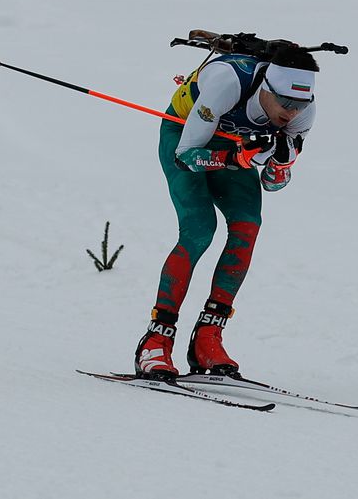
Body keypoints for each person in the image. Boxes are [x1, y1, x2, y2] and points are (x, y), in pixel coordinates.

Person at [133, 43, 318, 379]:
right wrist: (240, 158)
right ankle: (157, 338)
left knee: (248, 226)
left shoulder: (303, 113)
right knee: (200, 228)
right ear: (266, 88)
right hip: (184, 136)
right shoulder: (226, 81)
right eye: (286, 103)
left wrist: (281, 161)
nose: (291, 112)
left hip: (232, 147)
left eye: (300, 104)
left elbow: (273, 184)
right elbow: (185, 158)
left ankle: (208, 337)